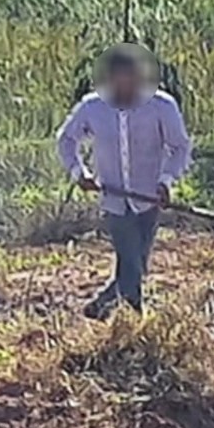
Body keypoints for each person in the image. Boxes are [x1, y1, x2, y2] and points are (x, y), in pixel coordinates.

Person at [56, 44, 192, 319]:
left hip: (148, 200)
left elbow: (180, 147)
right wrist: (79, 173)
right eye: (120, 77)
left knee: (136, 267)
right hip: (114, 200)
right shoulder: (92, 107)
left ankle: (99, 307)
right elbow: (66, 139)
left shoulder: (162, 106)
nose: (126, 83)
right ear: (110, 77)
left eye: (132, 76)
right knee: (131, 267)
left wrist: (165, 181)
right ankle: (132, 323)